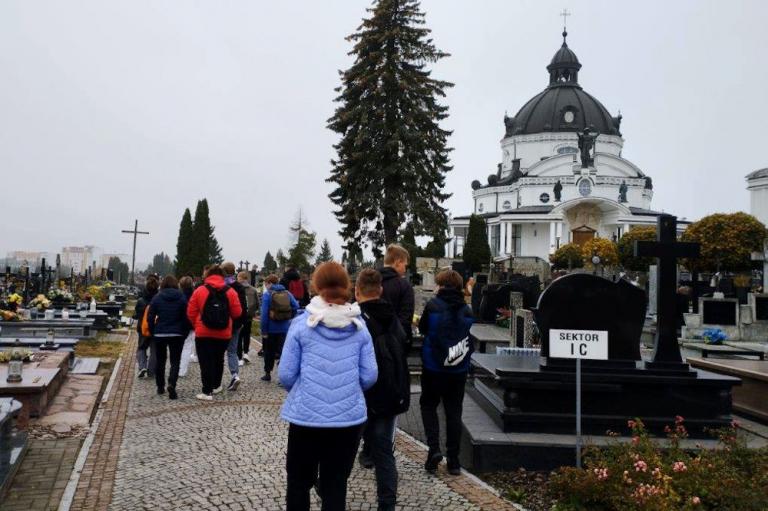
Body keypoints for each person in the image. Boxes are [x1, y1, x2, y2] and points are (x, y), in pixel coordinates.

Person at [279, 262, 378, 511]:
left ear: (316, 286)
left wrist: (307, 391)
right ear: (347, 287)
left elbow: (286, 374)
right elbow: (369, 376)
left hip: (306, 418)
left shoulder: (302, 324)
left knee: (299, 482)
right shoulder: (359, 327)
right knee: (335, 484)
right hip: (346, 420)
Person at [355, 269, 410, 511]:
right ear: (379, 290)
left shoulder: (356, 321)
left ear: (357, 291)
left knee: (344, 451)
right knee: (384, 452)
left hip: (362, 394)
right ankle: (387, 505)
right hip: (391, 392)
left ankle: (327, 489)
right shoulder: (394, 318)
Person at [418, 269, 474, 475]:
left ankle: (433, 449)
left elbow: (424, 328)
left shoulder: (433, 306)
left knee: (428, 405)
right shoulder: (467, 310)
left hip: (433, 366)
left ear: (441, 286)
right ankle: (454, 460)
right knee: (453, 411)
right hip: (457, 368)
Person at [186, 265, 243, 401]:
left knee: (205, 361)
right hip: (223, 333)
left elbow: (190, 312)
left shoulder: (200, 290)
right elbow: (237, 313)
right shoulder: (230, 292)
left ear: (208, 275)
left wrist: (197, 325)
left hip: (203, 333)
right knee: (218, 359)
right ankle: (217, 386)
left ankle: (206, 391)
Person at [147, 275, 190, 399]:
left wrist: (152, 331)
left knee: (160, 361)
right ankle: (172, 383)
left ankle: (160, 386)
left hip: (160, 332)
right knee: (175, 361)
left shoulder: (157, 297)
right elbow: (186, 317)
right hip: (177, 333)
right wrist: (185, 332)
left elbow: (150, 316)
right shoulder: (181, 297)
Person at [260, 274, 299, 382]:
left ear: (270, 283)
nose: (265, 286)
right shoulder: (287, 293)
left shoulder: (268, 294)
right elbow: (296, 306)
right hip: (284, 328)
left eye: (266, 284)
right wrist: (289, 318)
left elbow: (264, 315)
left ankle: (267, 374)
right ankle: (282, 376)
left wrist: (264, 330)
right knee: (283, 352)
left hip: (271, 329)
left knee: (269, 352)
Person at [379, 244, 415, 347]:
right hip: (394, 346)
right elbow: (405, 320)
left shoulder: (369, 281)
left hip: (371, 344)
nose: (405, 269)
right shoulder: (404, 286)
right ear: (398, 262)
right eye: (405, 265)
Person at [221, 262, 248, 391]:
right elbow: (244, 307)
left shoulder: (221, 286)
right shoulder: (239, 287)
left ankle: (216, 380)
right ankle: (234, 375)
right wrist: (242, 322)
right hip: (236, 323)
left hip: (222, 323)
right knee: (232, 351)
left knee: (219, 352)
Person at [134, 276, 159, 378]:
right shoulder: (159, 299)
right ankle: (151, 371)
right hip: (155, 328)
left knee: (141, 348)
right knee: (154, 350)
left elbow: (137, 314)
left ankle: (142, 367)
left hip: (143, 328)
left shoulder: (140, 300)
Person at [237, 271, 258, 363]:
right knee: (246, 335)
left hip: (238, 316)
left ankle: (239, 357)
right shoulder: (253, 290)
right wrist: (253, 311)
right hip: (249, 316)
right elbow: (257, 304)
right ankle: (246, 353)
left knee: (238, 336)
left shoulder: (236, 289)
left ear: (241, 278)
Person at [178, 276, 197, 376]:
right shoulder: (195, 294)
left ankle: (177, 368)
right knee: (187, 347)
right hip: (191, 324)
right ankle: (182, 370)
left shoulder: (178, 295)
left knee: (178, 347)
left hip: (179, 324)